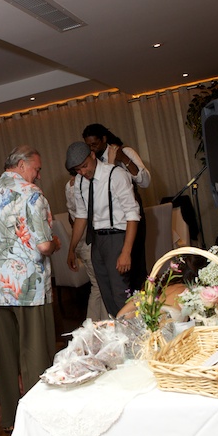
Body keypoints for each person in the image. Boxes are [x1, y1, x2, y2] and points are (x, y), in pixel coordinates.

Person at [0, 145, 59, 432]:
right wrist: (55, 243)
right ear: (21, 165)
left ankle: (9, 419)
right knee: (35, 354)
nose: (38, 175)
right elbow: (43, 245)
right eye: (37, 169)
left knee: (3, 356)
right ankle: (37, 423)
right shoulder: (32, 194)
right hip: (28, 289)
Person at [66, 141, 140, 316]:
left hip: (117, 237)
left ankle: (134, 329)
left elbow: (132, 214)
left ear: (93, 155)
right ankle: (118, 329)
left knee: (120, 292)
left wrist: (126, 252)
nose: (83, 172)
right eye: (77, 169)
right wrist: (72, 248)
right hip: (96, 240)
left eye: (85, 166)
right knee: (106, 294)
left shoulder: (115, 174)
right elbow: (81, 215)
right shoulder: (80, 181)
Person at [82, 123, 150, 290]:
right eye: (88, 145)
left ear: (104, 139)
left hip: (131, 215)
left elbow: (145, 181)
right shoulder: (93, 162)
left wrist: (123, 159)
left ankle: (142, 298)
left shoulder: (125, 152)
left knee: (136, 262)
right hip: (110, 224)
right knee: (116, 270)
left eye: (94, 144)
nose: (91, 148)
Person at [65, 170, 107, 321]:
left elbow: (71, 217)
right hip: (88, 240)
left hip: (83, 241)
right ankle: (98, 324)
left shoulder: (69, 185)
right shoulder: (82, 184)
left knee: (98, 285)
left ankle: (96, 325)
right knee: (100, 285)